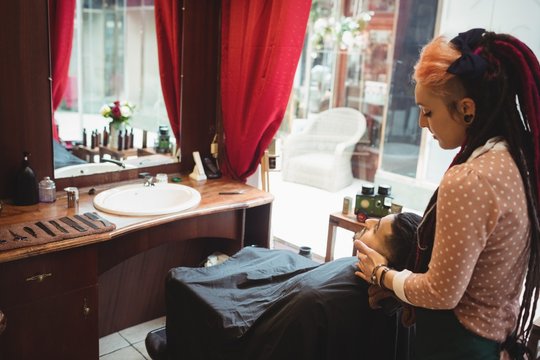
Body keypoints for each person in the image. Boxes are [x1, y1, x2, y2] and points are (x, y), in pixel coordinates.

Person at [354, 28, 540, 360]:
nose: (423, 124)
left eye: (429, 111)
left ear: (467, 110)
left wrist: (380, 275)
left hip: (457, 347)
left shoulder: (471, 179)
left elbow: (441, 293)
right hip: (494, 342)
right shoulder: (516, 162)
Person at [158, 212, 421, 360]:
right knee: (260, 257)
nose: (368, 222)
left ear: (385, 261)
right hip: (289, 290)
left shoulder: (318, 299)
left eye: (376, 231)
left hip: (264, 315)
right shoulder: (398, 299)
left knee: (183, 282)